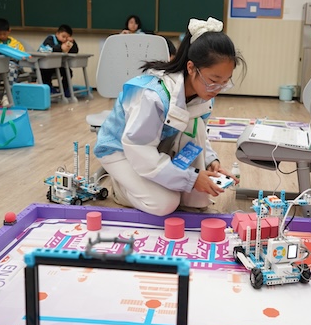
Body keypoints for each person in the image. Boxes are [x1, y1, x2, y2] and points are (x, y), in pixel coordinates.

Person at [94, 17, 246, 216]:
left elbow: (199, 135)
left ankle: (183, 194)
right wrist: (190, 179)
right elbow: (138, 148)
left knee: (196, 125)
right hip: (121, 150)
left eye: (225, 82)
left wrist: (210, 160)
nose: (217, 89)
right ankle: (121, 189)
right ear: (191, 68)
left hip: (154, 146)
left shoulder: (203, 96)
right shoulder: (153, 95)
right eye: (213, 80)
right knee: (164, 203)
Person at [38, 24, 78, 96]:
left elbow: (75, 51)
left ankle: (64, 89)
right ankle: (49, 88)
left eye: (67, 38)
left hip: (56, 65)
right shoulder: (50, 38)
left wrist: (73, 42)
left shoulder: (65, 43)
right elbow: (48, 49)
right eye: (63, 36)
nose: (65, 39)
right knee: (46, 72)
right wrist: (60, 48)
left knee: (68, 71)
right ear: (57, 34)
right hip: (43, 65)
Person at [0, 18, 26, 86]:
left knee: (12, 68)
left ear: (9, 31)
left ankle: (9, 91)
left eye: (4, 34)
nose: (2, 36)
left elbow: (22, 54)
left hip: (14, 66)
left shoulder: (16, 43)